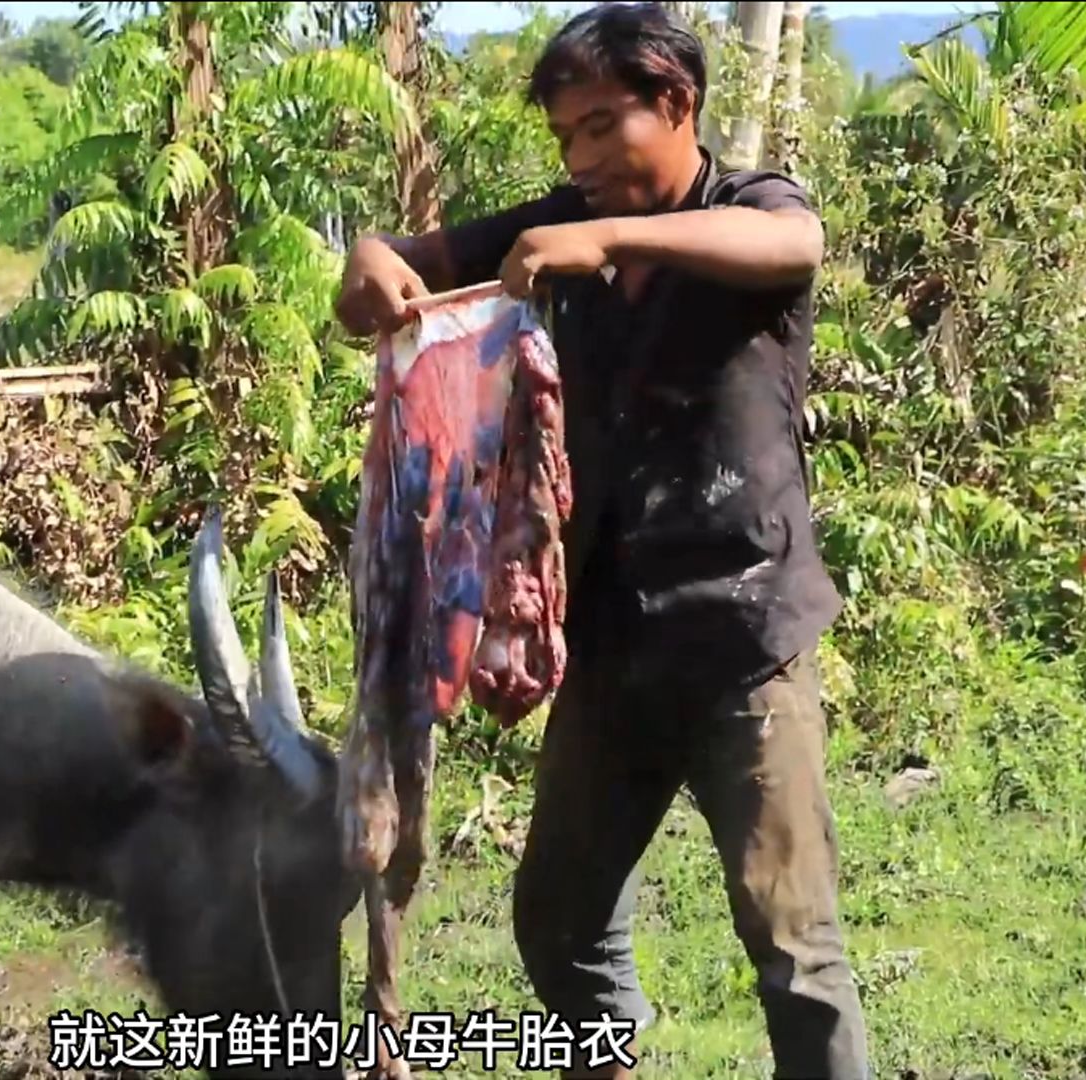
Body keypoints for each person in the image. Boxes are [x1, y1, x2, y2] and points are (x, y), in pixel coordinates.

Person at [333, 4, 870, 1079]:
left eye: (600, 125)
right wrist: (369, 263)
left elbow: (793, 244)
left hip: (741, 643)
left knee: (794, 955)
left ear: (677, 104)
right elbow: (389, 273)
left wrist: (608, 238)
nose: (581, 158)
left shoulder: (745, 208)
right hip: (606, 647)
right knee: (561, 925)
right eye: (566, 136)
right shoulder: (553, 225)